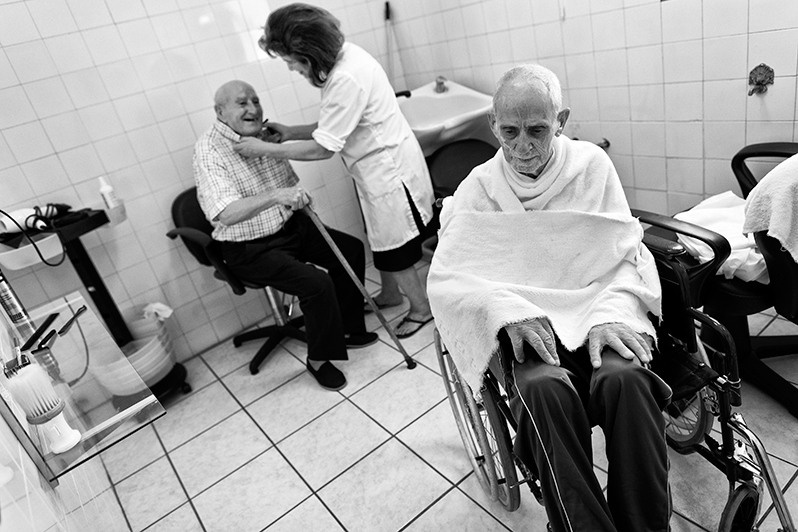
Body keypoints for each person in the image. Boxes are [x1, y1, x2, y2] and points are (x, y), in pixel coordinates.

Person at [427, 65, 671, 532]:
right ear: (492, 125)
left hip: (597, 308)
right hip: (526, 322)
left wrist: (611, 313)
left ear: (561, 120)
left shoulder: (591, 167)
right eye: (510, 131)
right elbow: (450, 278)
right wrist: (506, 310)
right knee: (543, 390)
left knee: (627, 379)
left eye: (537, 130)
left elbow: (624, 254)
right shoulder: (478, 188)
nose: (523, 146)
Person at [234, 2, 435, 339]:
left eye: (290, 60)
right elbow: (337, 123)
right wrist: (291, 131)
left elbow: (323, 148)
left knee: (395, 246)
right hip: (375, 168)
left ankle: (421, 309)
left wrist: (263, 148)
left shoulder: (345, 78)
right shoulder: (348, 56)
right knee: (381, 238)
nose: (291, 68)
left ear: (309, 53)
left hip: (387, 171)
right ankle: (391, 294)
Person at [193, 79, 378, 391]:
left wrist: (298, 202)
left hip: (290, 226)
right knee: (316, 283)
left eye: (255, 100)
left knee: (350, 250)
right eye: (242, 102)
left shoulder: (263, 136)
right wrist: (276, 196)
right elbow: (225, 213)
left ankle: (348, 327)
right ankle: (318, 360)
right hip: (247, 246)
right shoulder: (209, 151)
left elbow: (289, 185)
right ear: (220, 111)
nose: (252, 108)